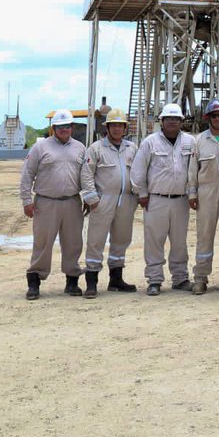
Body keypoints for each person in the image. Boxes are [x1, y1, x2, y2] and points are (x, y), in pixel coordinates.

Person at [130, 102, 195, 296]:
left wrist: (192, 194)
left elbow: (194, 172)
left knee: (179, 241)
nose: (172, 122)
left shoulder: (190, 142)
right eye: (168, 119)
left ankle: (180, 278)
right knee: (154, 241)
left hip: (181, 200)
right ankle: (154, 280)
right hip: (155, 199)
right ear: (162, 121)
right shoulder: (150, 142)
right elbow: (138, 170)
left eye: (176, 119)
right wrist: (141, 193)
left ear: (182, 121)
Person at [20, 109, 85, 300]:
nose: (64, 129)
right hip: (46, 202)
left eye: (67, 126)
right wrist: (26, 201)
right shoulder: (40, 148)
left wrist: (90, 197)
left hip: (73, 201)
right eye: (60, 126)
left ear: (72, 127)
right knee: (42, 242)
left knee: (74, 243)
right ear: (53, 128)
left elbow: (87, 176)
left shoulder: (80, 148)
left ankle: (72, 281)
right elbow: (27, 175)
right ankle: (34, 282)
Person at [80, 107, 138, 297]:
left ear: (124, 128)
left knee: (121, 239)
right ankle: (92, 282)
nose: (116, 129)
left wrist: (138, 195)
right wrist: (91, 198)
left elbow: (139, 172)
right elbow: (87, 174)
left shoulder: (132, 148)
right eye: (113, 125)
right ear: (108, 127)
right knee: (96, 240)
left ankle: (116, 279)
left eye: (120, 126)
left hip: (127, 201)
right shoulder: (96, 148)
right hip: (103, 200)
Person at [188, 98, 219, 295]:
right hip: (206, 193)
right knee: (204, 236)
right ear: (208, 118)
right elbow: (192, 170)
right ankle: (200, 278)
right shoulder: (199, 141)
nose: (218, 119)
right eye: (214, 116)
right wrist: (192, 193)